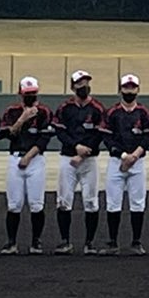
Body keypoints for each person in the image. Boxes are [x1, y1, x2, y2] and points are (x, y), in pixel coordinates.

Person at [52, 70, 107, 255]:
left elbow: (99, 134)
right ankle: (65, 241)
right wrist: (75, 147)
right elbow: (60, 131)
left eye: (86, 83)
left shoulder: (97, 108)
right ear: (72, 86)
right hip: (68, 159)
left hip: (89, 160)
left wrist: (83, 152)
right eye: (79, 83)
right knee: (64, 201)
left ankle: (89, 243)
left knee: (91, 201)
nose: (83, 87)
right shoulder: (64, 108)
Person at [102, 74, 149, 255]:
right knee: (113, 202)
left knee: (138, 202)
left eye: (132, 88)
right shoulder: (112, 113)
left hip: (138, 162)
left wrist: (135, 155)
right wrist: (124, 155)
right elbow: (107, 139)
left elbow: (148, 137)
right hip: (117, 161)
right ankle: (112, 243)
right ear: (120, 90)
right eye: (126, 88)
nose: (129, 91)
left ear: (138, 90)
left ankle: (136, 242)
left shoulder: (145, 113)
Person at [0, 76, 52, 254]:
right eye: (27, 93)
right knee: (14, 204)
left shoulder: (44, 112)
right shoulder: (11, 112)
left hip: (35, 159)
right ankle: (11, 242)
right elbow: (9, 134)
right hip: (15, 157)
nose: (31, 96)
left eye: (33, 93)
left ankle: (36, 241)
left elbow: (44, 139)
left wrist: (28, 157)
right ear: (20, 93)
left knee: (36, 203)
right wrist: (22, 118)